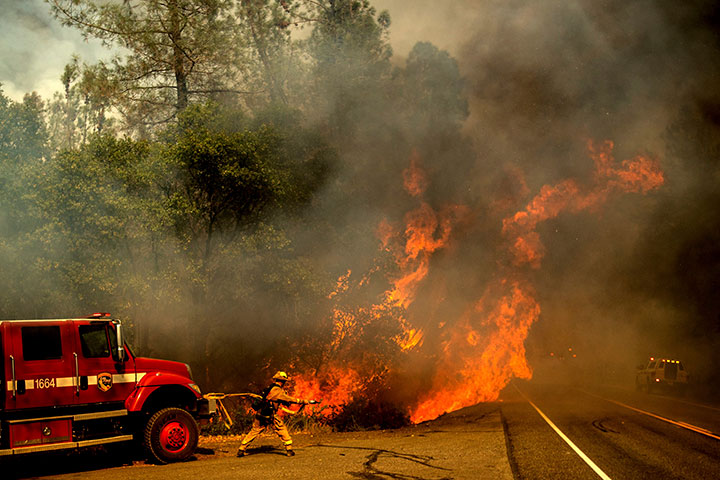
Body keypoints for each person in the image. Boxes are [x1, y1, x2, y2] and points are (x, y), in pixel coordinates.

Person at [237, 371, 316, 457]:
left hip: (260, 414)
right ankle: (289, 450)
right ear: (282, 381)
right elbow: (289, 399)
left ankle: (241, 449)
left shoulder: (269, 388)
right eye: (284, 381)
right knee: (281, 429)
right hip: (271, 415)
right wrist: (305, 401)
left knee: (254, 431)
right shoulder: (277, 390)